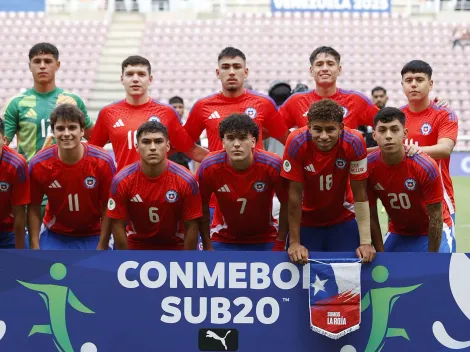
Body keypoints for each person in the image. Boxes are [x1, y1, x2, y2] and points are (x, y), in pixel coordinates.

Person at [281, 99, 375, 264]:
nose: (324, 136)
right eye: (317, 129)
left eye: (330, 129)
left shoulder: (355, 141)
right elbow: (294, 196)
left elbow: (360, 193)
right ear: (309, 127)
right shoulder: (296, 141)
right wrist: (295, 243)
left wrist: (366, 242)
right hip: (306, 220)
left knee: (350, 273)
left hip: (342, 218)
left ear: (341, 127)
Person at [88, 55, 208, 171]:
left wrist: (222, 160)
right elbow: (92, 152)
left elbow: (191, 149)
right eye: (129, 74)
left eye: (141, 74)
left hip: (160, 187)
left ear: (150, 79)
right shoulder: (108, 113)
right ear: (121, 79)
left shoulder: (167, 112)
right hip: (124, 187)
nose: (135, 79)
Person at [103, 121, 202, 250]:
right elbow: (117, 224)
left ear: (167, 146)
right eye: (146, 142)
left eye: (158, 141)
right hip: (136, 246)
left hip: (176, 246)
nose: (153, 147)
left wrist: (187, 262)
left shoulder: (187, 180)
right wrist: (125, 260)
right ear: (137, 146)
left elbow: (192, 225)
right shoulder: (122, 180)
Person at [28, 104, 115, 249]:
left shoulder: (103, 161)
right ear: (53, 132)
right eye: (60, 128)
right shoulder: (39, 163)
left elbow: (108, 206)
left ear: (82, 131)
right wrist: (35, 247)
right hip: (55, 234)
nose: (66, 133)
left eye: (72, 128)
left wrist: (102, 244)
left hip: (95, 233)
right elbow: (34, 207)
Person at [368, 107, 454, 252]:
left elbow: (436, 218)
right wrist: (381, 254)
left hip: (432, 231)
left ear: (405, 133)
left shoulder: (425, 165)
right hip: (398, 231)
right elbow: (371, 215)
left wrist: (431, 258)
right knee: (385, 272)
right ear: (374, 135)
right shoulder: (369, 166)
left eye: (394, 129)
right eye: (382, 130)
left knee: (435, 272)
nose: (388, 135)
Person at [197, 113, 288, 251]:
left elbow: (288, 204)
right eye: (231, 138)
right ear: (223, 141)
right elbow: (201, 207)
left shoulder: (272, 164)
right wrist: (207, 246)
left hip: (266, 237)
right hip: (222, 236)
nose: (237, 144)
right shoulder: (209, 166)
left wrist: (281, 242)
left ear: (253, 141)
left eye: (243, 138)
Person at [184, 47, 289, 152]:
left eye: (237, 67)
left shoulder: (263, 103)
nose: (231, 72)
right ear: (218, 73)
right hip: (219, 169)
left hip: (256, 169)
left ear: (246, 72)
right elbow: (184, 143)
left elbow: (288, 140)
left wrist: (274, 163)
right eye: (225, 67)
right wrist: (208, 159)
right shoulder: (203, 106)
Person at [3, 42, 94, 162]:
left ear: (57, 65)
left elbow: (94, 138)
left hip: (66, 175)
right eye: (37, 61)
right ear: (30, 66)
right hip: (31, 176)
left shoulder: (73, 100)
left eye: (47, 61)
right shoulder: (16, 103)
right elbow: (3, 144)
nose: (42, 66)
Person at [400, 60, 458, 243]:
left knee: (441, 266)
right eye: (408, 80)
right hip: (405, 201)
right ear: (402, 85)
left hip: (440, 202)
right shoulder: (397, 117)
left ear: (430, 84)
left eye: (419, 79)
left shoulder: (443, 114)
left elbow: (445, 149)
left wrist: (412, 151)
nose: (414, 84)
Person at [279, 46, 379, 132]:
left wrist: (365, 153)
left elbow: (387, 124)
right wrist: (292, 145)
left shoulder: (356, 100)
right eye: (319, 64)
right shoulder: (296, 101)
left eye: (330, 64)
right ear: (311, 71)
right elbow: (269, 129)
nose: (325, 68)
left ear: (339, 70)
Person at [0, 119, 30, 249]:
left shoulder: (16, 164)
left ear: (4, 140)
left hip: (9, 231)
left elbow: (19, 212)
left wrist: (19, 252)